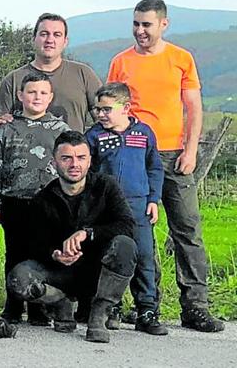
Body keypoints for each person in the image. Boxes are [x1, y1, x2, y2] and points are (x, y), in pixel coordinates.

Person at [106, 0, 224, 332]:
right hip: (135, 153)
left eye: (146, 24)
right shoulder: (121, 61)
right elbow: (112, 107)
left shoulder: (181, 59)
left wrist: (191, 150)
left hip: (173, 153)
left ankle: (195, 307)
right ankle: (146, 305)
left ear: (163, 24)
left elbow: (194, 107)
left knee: (187, 229)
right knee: (140, 231)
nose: (140, 31)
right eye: (136, 24)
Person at [7, 131, 137, 343]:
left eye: (80, 157)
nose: (74, 164)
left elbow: (127, 225)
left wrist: (88, 233)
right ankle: (59, 301)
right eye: (66, 158)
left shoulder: (106, 186)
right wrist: (54, 254)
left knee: (125, 245)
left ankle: (100, 314)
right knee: (18, 279)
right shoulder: (43, 199)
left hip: (98, 271)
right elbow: (33, 243)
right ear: (54, 162)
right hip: (61, 273)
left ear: (89, 161)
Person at [0, 73, 71, 325]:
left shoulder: (61, 130)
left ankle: (39, 308)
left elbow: (70, 166)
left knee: (44, 255)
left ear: (51, 97)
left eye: (43, 93)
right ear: (21, 95)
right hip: (15, 202)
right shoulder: (6, 129)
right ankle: (12, 307)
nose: (37, 97)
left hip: (50, 203)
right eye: (32, 92)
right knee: (15, 254)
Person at [85, 82, 166, 335]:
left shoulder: (144, 134)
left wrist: (154, 198)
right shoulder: (94, 136)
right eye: (97, 109)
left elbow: (154, 167)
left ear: (126, 108)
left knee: (144, 258)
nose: (100, 114)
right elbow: (87, 171)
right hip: (107, 208)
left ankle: (147, 310)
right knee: (109, 254)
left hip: (139, 205)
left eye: (107, 109)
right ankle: (111, 306)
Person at [0, 13, 101, 131]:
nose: (50, 40)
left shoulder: (83, 74)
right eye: (44, 34)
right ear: (33, 39)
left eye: (57, 35)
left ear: (65, 41)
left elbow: (107, 109)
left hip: (72, 148)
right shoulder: (13, 80)